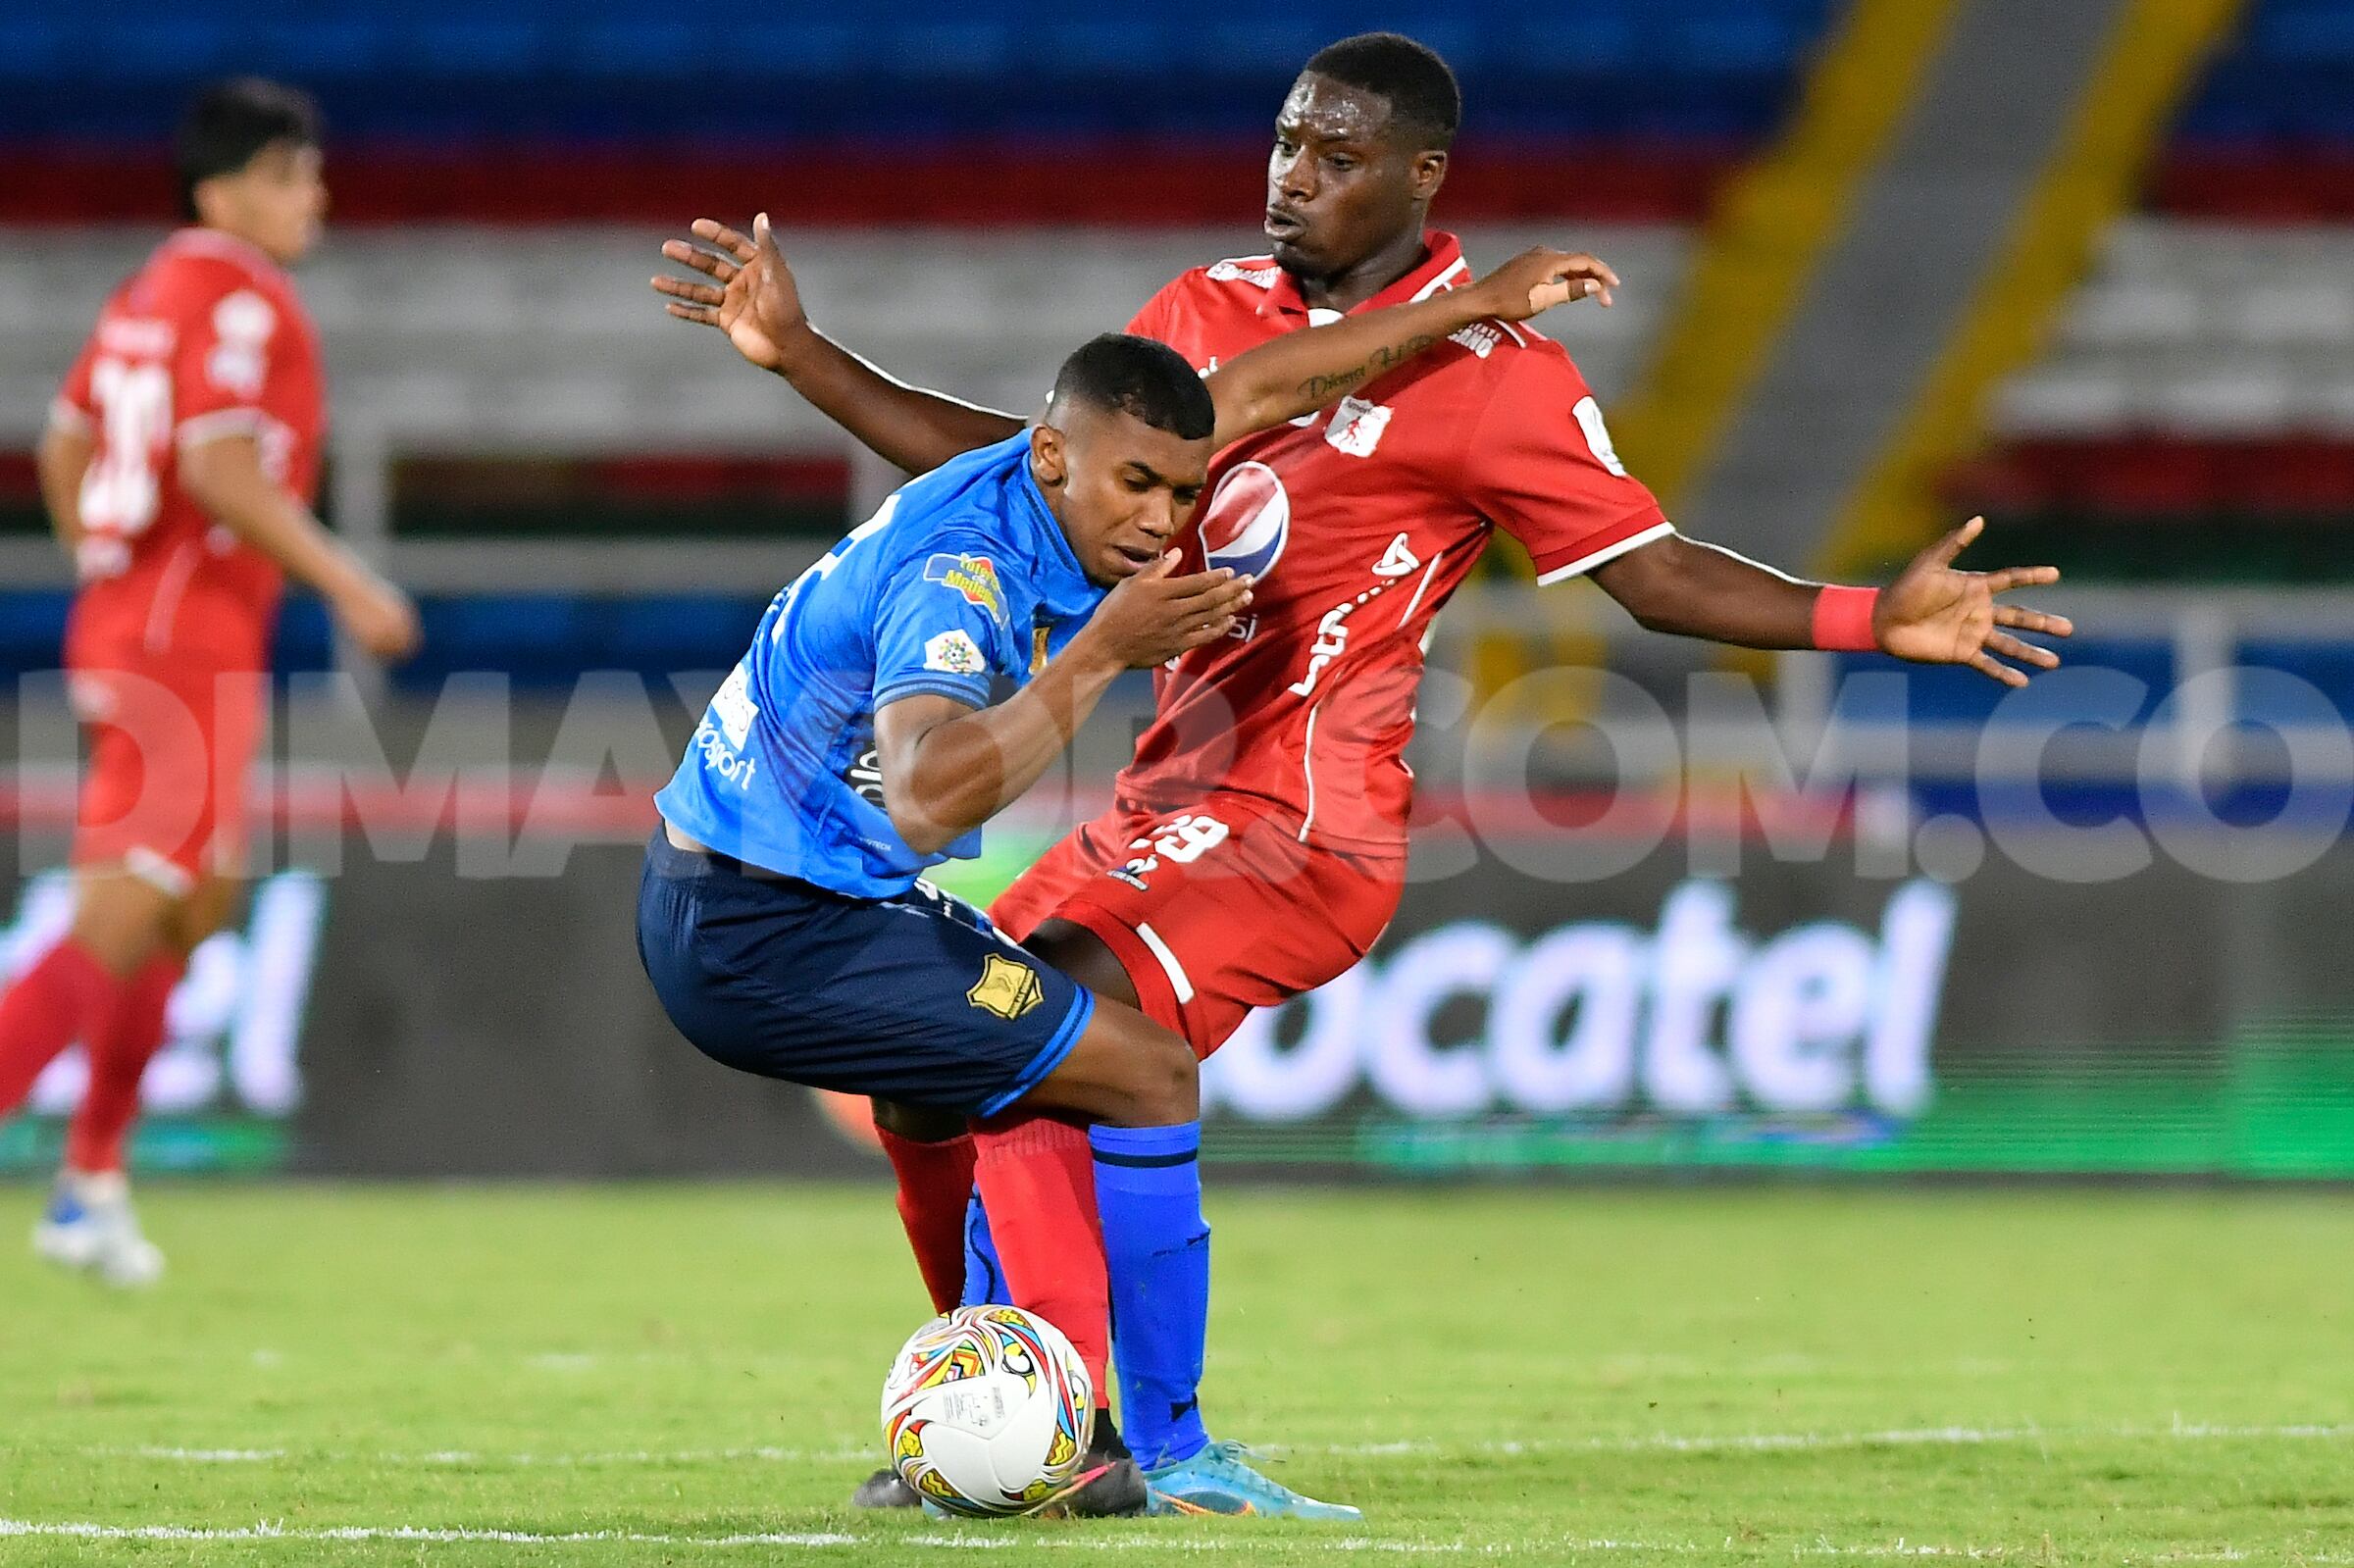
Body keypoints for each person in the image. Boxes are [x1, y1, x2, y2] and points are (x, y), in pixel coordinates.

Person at [653, 30, 2072, 1514]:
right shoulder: (1203, 314)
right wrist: (806, 359)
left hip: (1298, 824)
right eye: (1284, 145)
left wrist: (1863, 616)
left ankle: (1139, 1442)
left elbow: (1651, 577)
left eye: (1336, 158)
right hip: (1159, 802)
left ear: (1420, 175)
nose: (1293, 180)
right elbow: (1030, 473)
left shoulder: (1502, 378)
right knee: (956, 1056)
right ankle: (1013, 1405)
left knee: (1059, 1005)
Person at [638, 250, 1616, 1517]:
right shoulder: (968, 575)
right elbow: (933, 791)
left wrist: (1476, 304)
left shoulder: (1039, 483)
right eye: (1139, 485)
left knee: (931, 1099)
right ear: (1054, 457)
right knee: (1142, 1067)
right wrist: (1103, 651)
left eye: (1185, 489)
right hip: (768, 922)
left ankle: (1000, 1401)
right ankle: (1163, 1446)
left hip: (744, 890)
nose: (1165, 520)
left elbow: (1264, 380)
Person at [3, 78, 421, 1285]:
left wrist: (101, 552)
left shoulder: (145, 291)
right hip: (179, 640)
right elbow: (222, 465)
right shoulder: (236, 294)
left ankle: (88, 1184)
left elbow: (64, 438)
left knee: (198, 904)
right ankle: (83, 1177)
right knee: (126, 904)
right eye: (290, 174)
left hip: (141, 623)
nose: (315, 195)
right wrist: (352, 584)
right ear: (222, 190)